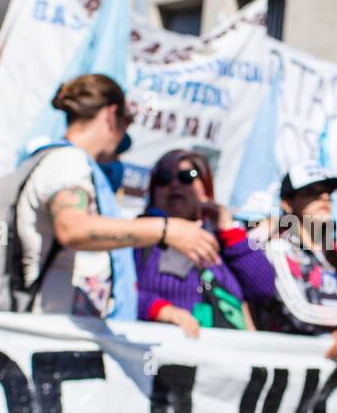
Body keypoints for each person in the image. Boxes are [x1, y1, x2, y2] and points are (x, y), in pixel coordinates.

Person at [15, 74, 220, 319]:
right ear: (112, 116)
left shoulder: (71, 162)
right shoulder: (69, 162)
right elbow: (71, 228)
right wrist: (165, 230)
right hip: (52, 334)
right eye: (126, 124)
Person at [135, 149, 276, 335]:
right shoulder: (138, 236)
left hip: (224, 357)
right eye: (164, 178)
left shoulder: (222, 239)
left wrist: (227, 228)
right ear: (154, 191)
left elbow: (264, 287)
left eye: (187, 177)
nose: (175, 184)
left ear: (206, 188)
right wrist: (160, 310)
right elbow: (113, 293)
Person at [253, 162, 337, 362]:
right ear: (287, 203)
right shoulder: (277, 248)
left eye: (328, 193)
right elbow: (298, 310)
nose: (324, 198)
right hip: (291, 363)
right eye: (313, 192)